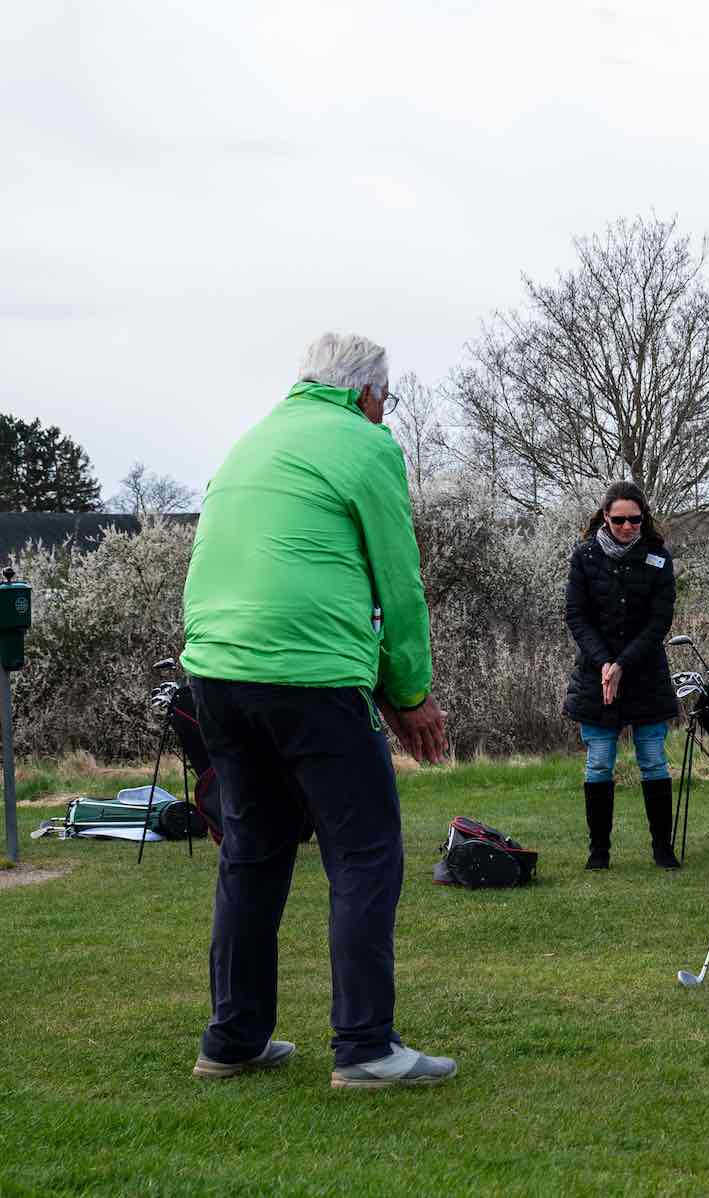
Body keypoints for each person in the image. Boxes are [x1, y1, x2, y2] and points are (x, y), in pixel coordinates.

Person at [181, 332, 456, 1090]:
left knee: (253, 847)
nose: (383, 413)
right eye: (386, 401)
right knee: (366, 851)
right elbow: (397, 583)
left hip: (214, 674)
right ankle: (365, 1047)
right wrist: (409, 694)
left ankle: (232, 1039)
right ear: (368, 395)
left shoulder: (253, 439)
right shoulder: (366, 446)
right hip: (309, 677)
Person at [562, 481, 681, 871]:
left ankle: (662, 849)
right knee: (599, 763)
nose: (628, 526)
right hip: (597, 678)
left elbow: (659, 620)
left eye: (635, 519)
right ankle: (599, 852)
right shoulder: (584, 557)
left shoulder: (658, 558)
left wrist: (624, 664)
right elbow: (577, 616)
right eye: (619, 520)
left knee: (653, 760)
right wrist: (604, 665)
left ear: (643, 518)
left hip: (645, 674)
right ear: (605, 517)